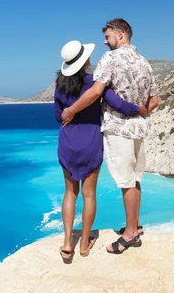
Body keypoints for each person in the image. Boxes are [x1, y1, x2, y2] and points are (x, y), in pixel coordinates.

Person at [61, 18, 160, 254]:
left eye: (108, 37)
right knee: (135, 179)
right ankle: (133, 225)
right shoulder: (144, 62)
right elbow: (155, 99)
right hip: (138, 129)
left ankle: (129, 235)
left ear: (121, 35)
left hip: (119, 129)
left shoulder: (110, 59)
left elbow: (97, 91)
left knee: (125, 182)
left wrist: (72, 110)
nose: (105, 42)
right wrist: (142, 110)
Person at [54, 40, 142, 260]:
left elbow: (58, 116)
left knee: (69, 193)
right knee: (89, 194)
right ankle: (84, 244)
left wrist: (71, 113)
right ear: (84, 60)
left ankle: (67, 243)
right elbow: (117, 104)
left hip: (68, 143)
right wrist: (140, 109)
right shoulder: (95, 82)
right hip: (91, 141)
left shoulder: (59, 84)